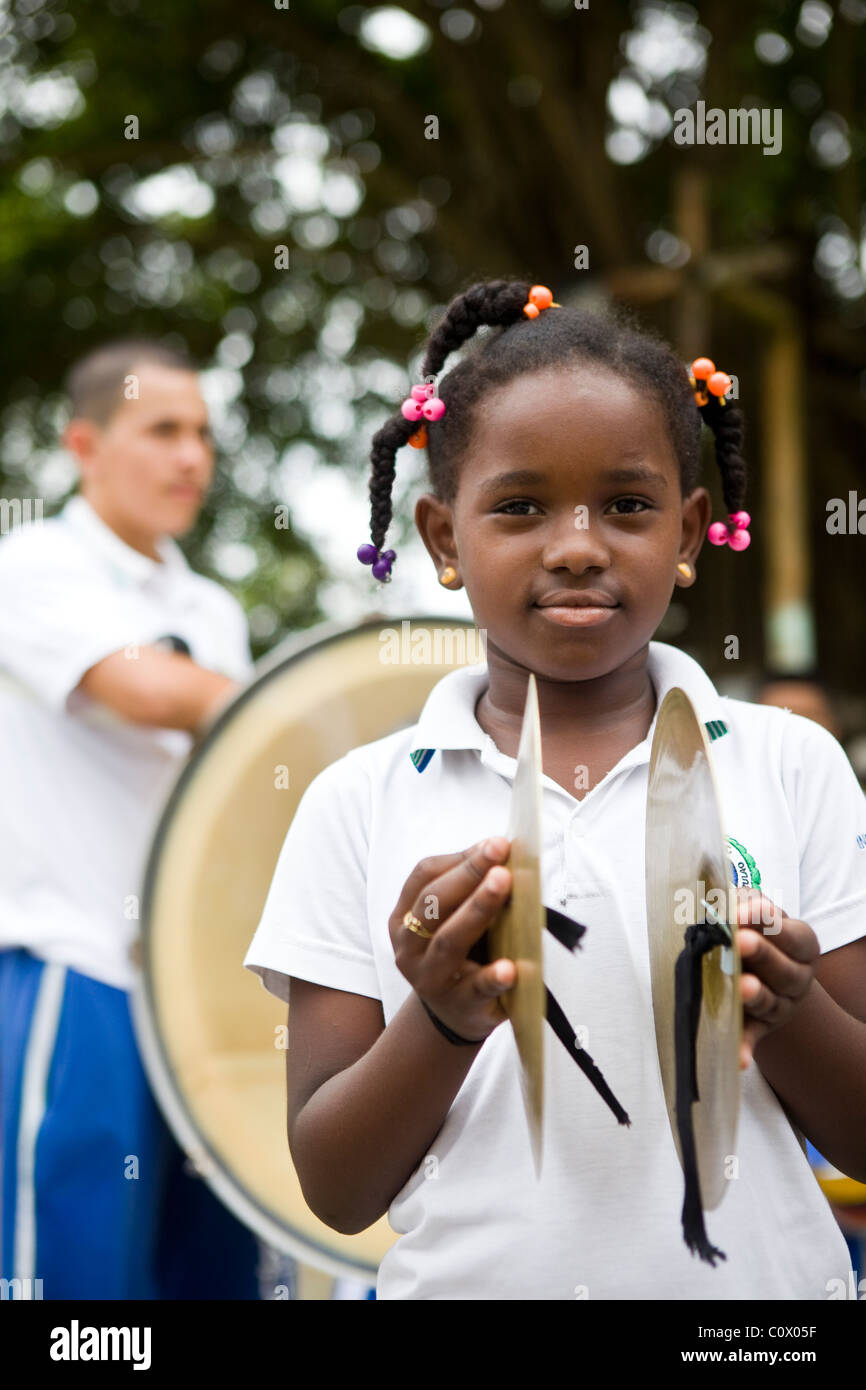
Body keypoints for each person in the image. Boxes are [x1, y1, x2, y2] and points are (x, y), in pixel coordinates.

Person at [244, 280, 866, 1300]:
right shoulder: (358, 803)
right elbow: (335, 1183)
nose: (576, 545)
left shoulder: (786, 764)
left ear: (686, 532)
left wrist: (784, 1005)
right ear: (444, 539)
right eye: (520, 506)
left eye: (625, 505)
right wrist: (441, 1016)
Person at [0, 338, 261, 1299]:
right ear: (84, 444)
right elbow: (143, 690)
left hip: (196, 1001)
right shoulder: (31, 561)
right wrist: (309, 705)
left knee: (211, 1275)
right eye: (162, 431)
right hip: (75, 975)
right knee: (76, 1290)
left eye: (201, 433)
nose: (192, 456)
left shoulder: (211, 609)